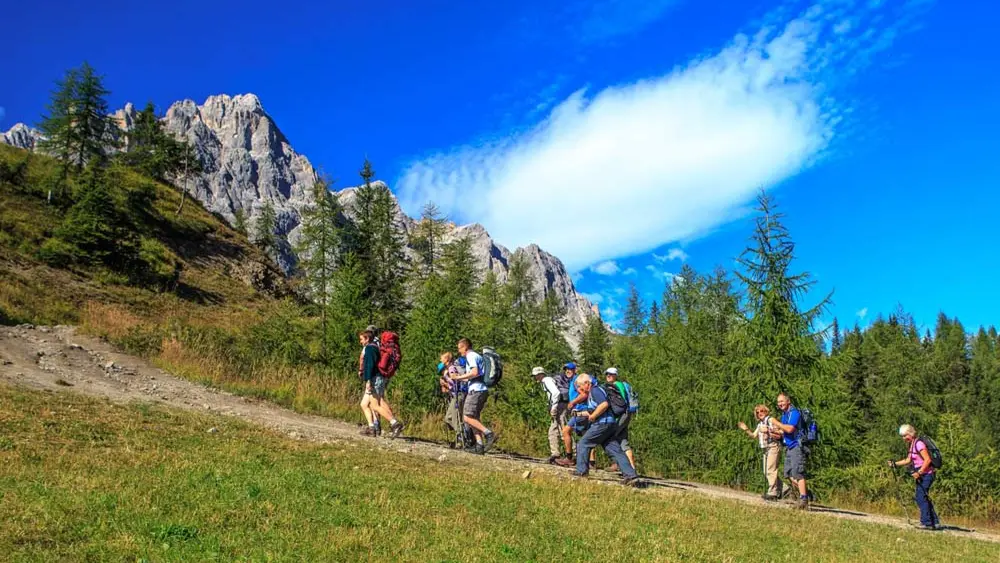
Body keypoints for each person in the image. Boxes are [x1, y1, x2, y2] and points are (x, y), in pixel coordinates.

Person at [571, 375, 638, 485]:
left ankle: (581, 471)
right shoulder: (598, 391)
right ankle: (631, 475)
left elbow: (604, 405)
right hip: (610, 423)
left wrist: (593, 416)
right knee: (614, 449)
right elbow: (593, 410)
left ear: (587, 383)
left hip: (603, 424)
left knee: (584, 443)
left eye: (580, 386)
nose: (580, 389)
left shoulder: (595, 390)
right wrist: (579, 414)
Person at [889, 424, 940, 530]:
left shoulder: (919, 444)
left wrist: (920, 472)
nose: (904, 438)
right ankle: (934, 521)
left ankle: (927, 522)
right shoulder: (912, 444)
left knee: (920, 497)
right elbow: (908, 460)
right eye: (902, 436)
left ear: (911, 434)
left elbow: (927, 460)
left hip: (927, 474)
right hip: (922, 474)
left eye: (905, 435)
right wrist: (895, 464)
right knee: (923, 496)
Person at [451, 338, 497, 454]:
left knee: (467, 417)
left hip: (476, 390)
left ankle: (489, 434)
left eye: (459, 348)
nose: (459, 351)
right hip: (480, 389)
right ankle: (479, 445)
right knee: (473, 418)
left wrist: (457, 377)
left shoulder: (471, 356)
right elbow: (474, 375)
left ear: (465, 347)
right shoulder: (476, 356)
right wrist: (461, 378)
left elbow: (475, 372)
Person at [358, 329, 404, 439]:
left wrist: (368, 380)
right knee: (364, 404)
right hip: (378, 378)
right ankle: (372, 428)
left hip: (375, 379)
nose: (360, 342)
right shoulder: (376, 347)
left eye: (361, 339)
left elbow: (369, 366)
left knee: (375, 405)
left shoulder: (369, 349)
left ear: (367, 339)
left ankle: (394, 423)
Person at [738, 404, 783, 500]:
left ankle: (773, 493)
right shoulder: (760, 424)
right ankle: (783, 489)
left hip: (773, 446)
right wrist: (746, 429)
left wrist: (768, 430)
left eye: (761, 411)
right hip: (765, 449)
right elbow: (754, 435)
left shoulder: (770, 420)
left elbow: (780, 431)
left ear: (766, 411)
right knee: (766, 471)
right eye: (757, 412)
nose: (760, 413)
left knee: (770, 470)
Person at [772, 393, 809, 509]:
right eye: (778, 402)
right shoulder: (785, 414)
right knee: (788, 473)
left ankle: (804, 500)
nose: (780, 404)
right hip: (789, 446)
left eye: (782, 401)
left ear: (788, 401)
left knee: (798, 473)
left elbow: (789, 428)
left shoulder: (794, 413)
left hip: (797, 447)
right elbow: (785, 431)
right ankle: (805, 494)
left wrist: (776, 423)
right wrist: (774, 432)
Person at [532, 367, 573, 466]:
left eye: (536, 375)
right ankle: (556, 454)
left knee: (563, 430)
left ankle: (571, 455)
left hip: (560, 406)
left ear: (541, 374)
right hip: (562, 405)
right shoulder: (549, 380)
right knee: (554, 430)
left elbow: (556, 393)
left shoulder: (546, 380)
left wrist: (553, 407)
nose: (535, 378)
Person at [603, 367, 637, 473]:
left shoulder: (615, 386)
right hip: (627, 414)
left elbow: (618, 404)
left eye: (611, 374)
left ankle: (617, 464)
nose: (608, 376)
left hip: (620, 415)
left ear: (615, 375)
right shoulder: (624, 385)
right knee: (623, 440)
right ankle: (632, 468)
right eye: (607, 374)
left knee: (611, 438)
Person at [440, 352, 471, 448]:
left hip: (458, 395)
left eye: (442, 358)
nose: (441, 360)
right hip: (455, 395)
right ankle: (462, 436)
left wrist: (446, 382)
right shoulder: (448, 369)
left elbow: (455, 382)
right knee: (448, 418)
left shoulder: (451, 368)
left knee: (454, 417)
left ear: (447, 360)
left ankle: (461, 438)